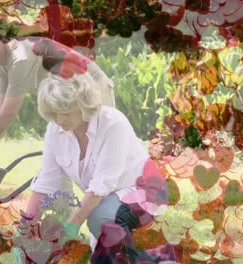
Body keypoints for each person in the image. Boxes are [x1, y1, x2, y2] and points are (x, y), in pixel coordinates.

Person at [24, 72, 169, 263]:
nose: (59, 119)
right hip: (104, 202)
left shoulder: (113, 123)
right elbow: (46, 181)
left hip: (146, 192)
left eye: (65, 111)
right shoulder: (55, 130)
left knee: (101, 219)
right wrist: (26, 227)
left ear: (82, 104)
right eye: (53, 113)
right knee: (102, 251)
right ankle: (161, 259)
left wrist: (71, 227)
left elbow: (102, 183)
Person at [0, 15, 115, 157]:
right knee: (62, 152)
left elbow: (9, 112)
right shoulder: (3, 64)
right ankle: (60, 190)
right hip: (67, 101)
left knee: (100, 151)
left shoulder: (20, 57)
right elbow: (0, 107)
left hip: (93, 89)